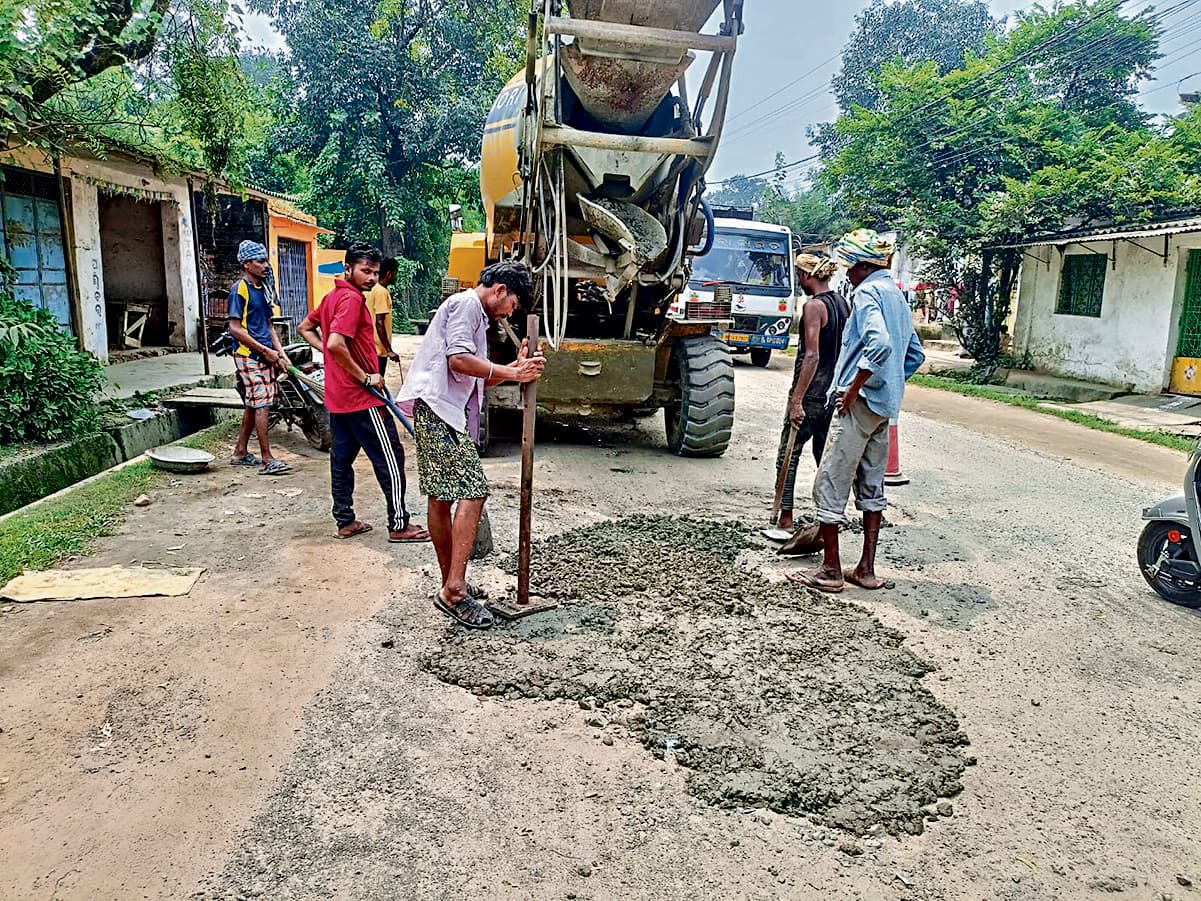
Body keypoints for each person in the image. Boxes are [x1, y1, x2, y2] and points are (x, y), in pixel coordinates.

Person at [399, 261, 545, 630]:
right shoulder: (467, 305)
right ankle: (454, 591)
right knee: (473, 490)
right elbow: (459, 361)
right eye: (512, 304)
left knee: (441, 497)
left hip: (438, 408)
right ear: (500, 290)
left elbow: (476, 377)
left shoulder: (475, 315)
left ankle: (451, 581)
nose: (510, 313)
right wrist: (513, 372)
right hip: (440, 410)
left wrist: (514, 368)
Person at [789, 229, 924, 593]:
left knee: (830, 483)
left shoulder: (866, 294)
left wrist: (853, 390)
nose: (847, 274)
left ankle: (831, 570)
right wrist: (888, 382)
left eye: (851, 267)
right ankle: (865, 568)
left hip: (858, 405)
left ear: (865, 266)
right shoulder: (896, 296)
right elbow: (914, 355)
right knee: (872, 486)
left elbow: (879, 344)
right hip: (883, 408)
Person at [297, 243, 429, 543]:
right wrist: (365, 376)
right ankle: (399, 525)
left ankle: (345, 521)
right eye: (365, 271)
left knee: (341, 460)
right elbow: (335, 344)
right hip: (361, 398)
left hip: (339, 398)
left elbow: (306, 328)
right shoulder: (352, 299)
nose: (371, 277)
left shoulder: (332, 297)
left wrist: (333, 356)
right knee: (391, 458)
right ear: (348, 269)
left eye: (375, 272)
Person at [774, 253, 849, 533]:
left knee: (788, 454)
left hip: (812, 393)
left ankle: (785, 518)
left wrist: (797, 400)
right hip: (832, 393)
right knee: (824, 457)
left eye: (799, 275)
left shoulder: (814, 306)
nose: (799, 281)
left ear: (807, 275)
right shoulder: (843, 303)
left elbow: (812, 355)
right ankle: (828, 517)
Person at [228, 240, 291, 476]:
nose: (266, 265)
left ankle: (240, 452)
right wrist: (265, 352)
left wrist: (281, 354)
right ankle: (267, 459)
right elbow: (235, 329)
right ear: (246, 264)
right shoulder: (240, 289)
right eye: (260, 261)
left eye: (266, 260)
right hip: (247, 355)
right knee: (262, 404)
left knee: (253, 403)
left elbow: (269, 325)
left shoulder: (263, 289)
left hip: (265, 354)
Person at [370, 257, 401, 378]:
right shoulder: (381, 292)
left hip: (372, 348)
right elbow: (379, 323)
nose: (395, 277)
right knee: (377, 382)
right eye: (395, 273)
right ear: (389, 274)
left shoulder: (373, 288)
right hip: (378, 350)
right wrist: (389, 350)